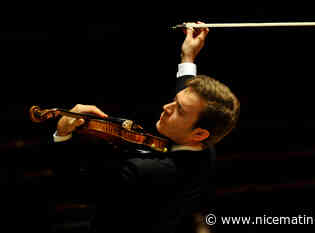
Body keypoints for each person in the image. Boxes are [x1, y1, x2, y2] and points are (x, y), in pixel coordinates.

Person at [52, 22, 240, 233]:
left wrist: (62, 136)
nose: (166, 107)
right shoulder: (205, 148)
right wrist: (188, 57)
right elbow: (187, 97)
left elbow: (72, 189)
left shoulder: (146, 172)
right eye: (174, 101)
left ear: (198, 133)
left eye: (178, 110)